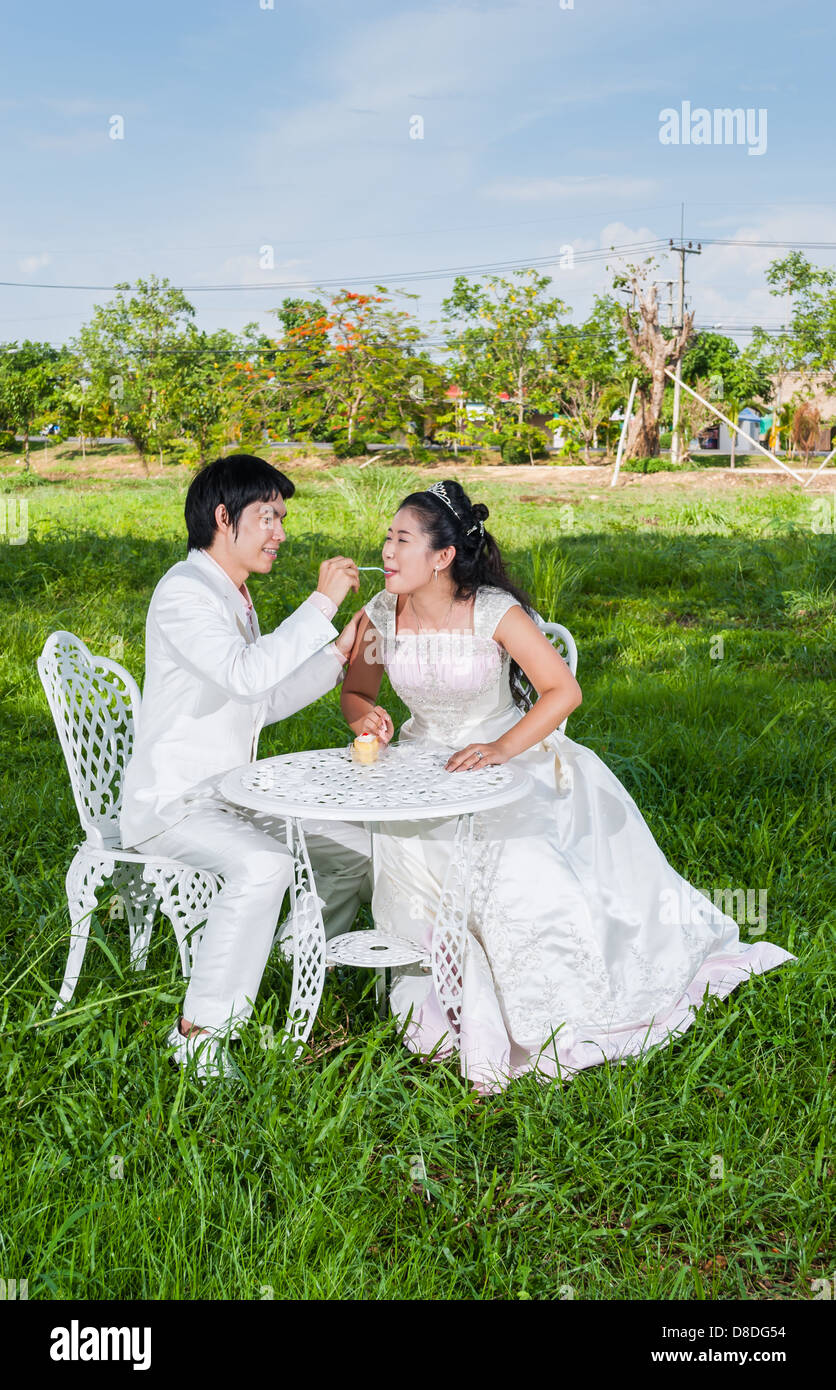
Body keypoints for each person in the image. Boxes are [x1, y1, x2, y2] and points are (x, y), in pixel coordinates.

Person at [340, 479, 796, 1095]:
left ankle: (548, 1016)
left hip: (506, 755)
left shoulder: (492, 609)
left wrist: (500, 748)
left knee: (519, 866)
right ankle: (452, 997)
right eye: (386, 540)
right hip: (422, 765)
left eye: (401, 540)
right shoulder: (378, 614)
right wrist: (362, 715)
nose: (387, 552)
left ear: (443, 556)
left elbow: (564, 692)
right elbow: (355, 690)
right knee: (407, 848)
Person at [120, 454, 372, 1080]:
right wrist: (321, 603)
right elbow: (246, 673)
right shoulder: (184, 591)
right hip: (171, 806)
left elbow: (260, 701)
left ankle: (282, 956)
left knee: (355, 849)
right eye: (269, 517)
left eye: (282, 518)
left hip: (227, 798)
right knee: (265, 866)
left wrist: (338, 655)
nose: (280, 533)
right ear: (223, 517)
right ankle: (199, 1032)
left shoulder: (232, 594)